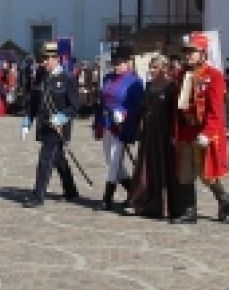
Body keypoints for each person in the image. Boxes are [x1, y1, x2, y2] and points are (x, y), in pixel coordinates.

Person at [172, 32, 229, 224]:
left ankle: (223, 197)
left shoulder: (214, 76)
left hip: (203, 130)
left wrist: (207, 133)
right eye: (187, 51)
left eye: (193, 51)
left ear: (203, 53)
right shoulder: (182, 75)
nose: (188, 55)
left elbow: (216, 110)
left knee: (206, 174)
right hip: (185, 130)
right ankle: (190, 212)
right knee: (185, 172)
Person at [20, 41, 79, 208]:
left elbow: (74, 106)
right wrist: (27, 122)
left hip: (58, 128)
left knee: (45, 159)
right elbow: (34, 102)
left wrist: (61, 117)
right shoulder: (41, 76)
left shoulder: (67, 78)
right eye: (42, 58)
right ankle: (71, 190)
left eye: (47, 58)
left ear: (56, 59)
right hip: (44, 125)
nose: (43, 62)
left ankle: (38, 195)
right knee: (58, 158)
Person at [93, 47, 144, 210]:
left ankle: (107, 198)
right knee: (111, 161)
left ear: (127, 63)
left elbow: (138, 107)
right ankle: (135, 193)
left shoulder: (135, 82)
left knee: (115, 161)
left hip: (122, 126)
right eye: (114, 63)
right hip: (107, 122)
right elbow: (101, 101)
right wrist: (98, 121)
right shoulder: (108, 78)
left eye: (119, 63)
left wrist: (124, 114)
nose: (116, 66)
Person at [126, 55, 177, 218]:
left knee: (161, 167)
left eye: (155, 67)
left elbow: (174, 113)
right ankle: (143, 202)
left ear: (163, 67)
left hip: (163, 131)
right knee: (146, 167)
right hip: (149, 130)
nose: (152, 70)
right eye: (151, 67)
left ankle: (163, 206)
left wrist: (174, 134)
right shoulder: (148, 85)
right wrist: (134, 126)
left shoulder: (171, 86)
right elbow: (143, 107)